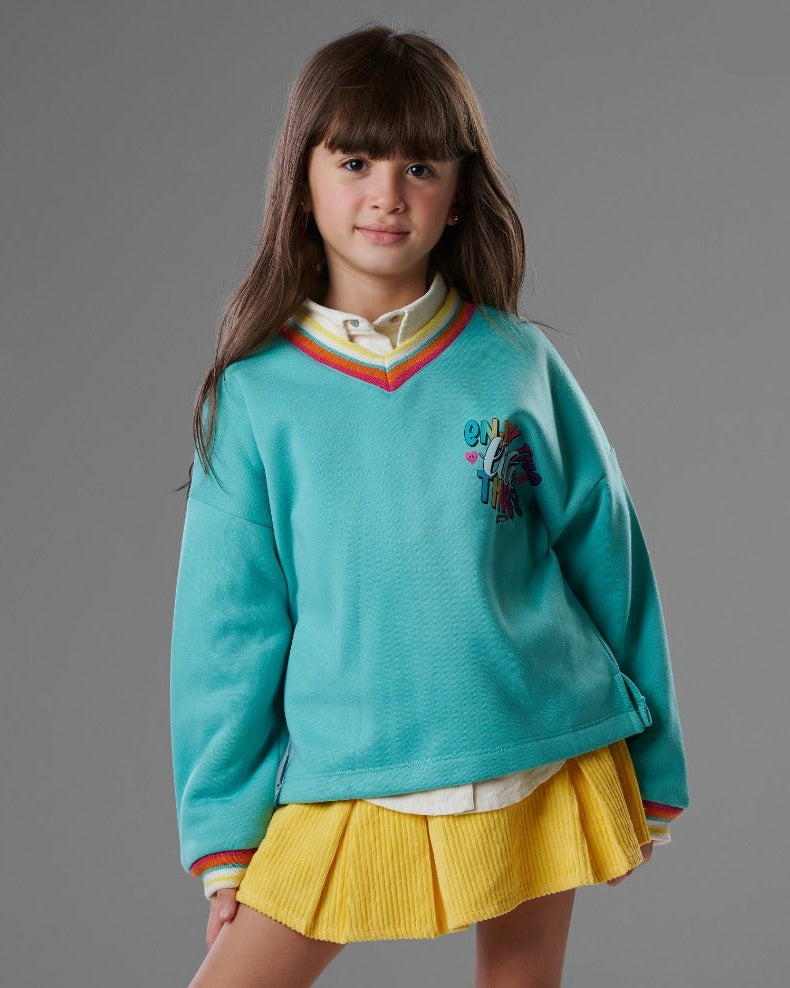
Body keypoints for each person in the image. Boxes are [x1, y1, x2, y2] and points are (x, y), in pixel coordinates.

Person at [170, 23, 689, 988]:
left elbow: (611, 560)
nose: (387, 193)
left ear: (457, 196)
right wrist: (224, 839)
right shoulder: (256, 396)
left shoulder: (518, 362)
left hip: (540, 747)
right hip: (349, 770)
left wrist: (656, 765)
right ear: (302, 181)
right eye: (355, 161)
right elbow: (226, 630)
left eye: (420, 165)